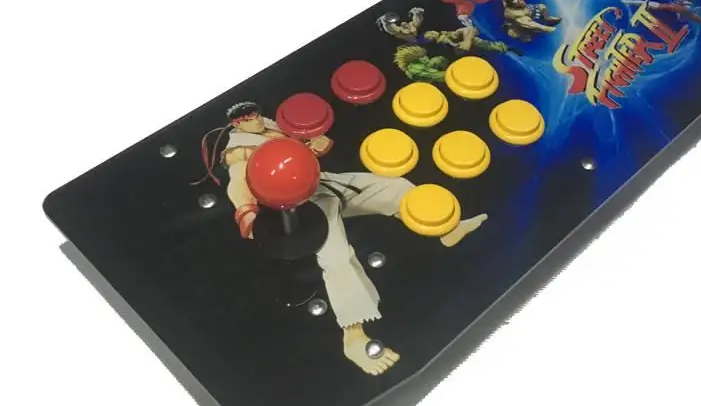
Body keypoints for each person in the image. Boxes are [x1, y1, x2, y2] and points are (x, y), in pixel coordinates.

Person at [201, 102, 487, 375]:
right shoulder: (240, 150)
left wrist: (315, 144)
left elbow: (312, 149)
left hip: (321, 182)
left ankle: (445, 228)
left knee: (394, 186)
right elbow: (239, 182)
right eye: (247, 118)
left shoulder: (273, 128)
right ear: (236, 124)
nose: (254, 119)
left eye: (255, 114)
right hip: (298, 205)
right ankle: (354, 335)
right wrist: (247, 213)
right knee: (337, 257)